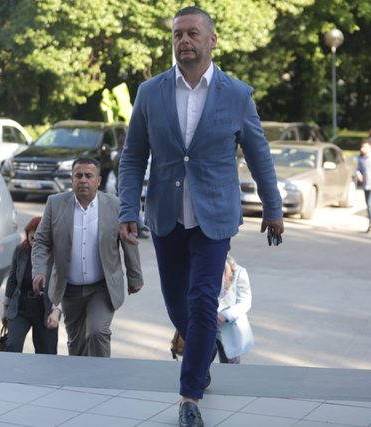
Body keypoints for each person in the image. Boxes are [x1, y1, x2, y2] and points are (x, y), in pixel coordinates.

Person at [117, 7, 284, 427]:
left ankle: (189, 395)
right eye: (178, 34)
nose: (184, 41)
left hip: (214, 217)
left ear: (212, 40)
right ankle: (202, 350)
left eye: (192, 33)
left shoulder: (237, 94)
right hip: (166, 215)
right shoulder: (150, 92)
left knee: (203, 300)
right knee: (178, 304)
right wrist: (127, 208)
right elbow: (133, 156)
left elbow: (259, 154)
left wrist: (273, 207)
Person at [32, 157, 143, 357]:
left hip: (102, 287)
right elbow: (41, 240)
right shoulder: (55, 204)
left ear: (98, 180)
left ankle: (101, 375)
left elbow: (128, 242)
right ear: (72, 179)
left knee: (97, 332)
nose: (83, 180)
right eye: (78, 176)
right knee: (77, 344)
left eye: (88, 176)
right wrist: (39, 270)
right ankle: (80, 376)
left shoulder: (115, 205)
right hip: (69, 289)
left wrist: (134, 277)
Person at [2, 216, 59, 354]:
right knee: (12, 346)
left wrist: (56, 311)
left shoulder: (55, 255)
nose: (34, 243)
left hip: (44, 308)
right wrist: (5, 308)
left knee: (47, 353)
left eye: (39, 239)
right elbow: (12, 280)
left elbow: (60, 285)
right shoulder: (21, 251)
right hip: (21, 307)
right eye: (32, 238)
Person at [216, 254, 253, 365]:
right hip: (207, 325)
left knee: (229, 368)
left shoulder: (239, 272)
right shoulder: (204, 269)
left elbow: (245, 302)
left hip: (229, 329)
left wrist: (225, 315)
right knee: (202, 366)